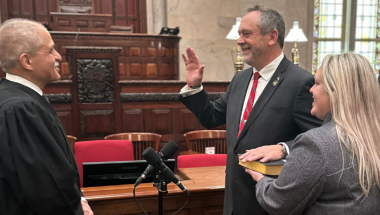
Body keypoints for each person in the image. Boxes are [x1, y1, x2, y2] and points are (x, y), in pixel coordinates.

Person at [179, 4, 322, 215]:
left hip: (271, 199)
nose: (239, 41)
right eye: (239, 34)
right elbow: (211, 117)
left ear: (272, 37)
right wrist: (194, 87)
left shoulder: (300, 81)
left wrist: (284, 147)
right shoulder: (240, 79)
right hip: (234, 199)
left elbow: (318, 138)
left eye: (246, 34)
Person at [244, 52, 380, 214]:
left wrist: (262, 180)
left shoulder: (316, 144)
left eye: (316, 84)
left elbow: (277, 202)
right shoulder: (371, 135)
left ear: (334, 91)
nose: (311, 90)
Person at [0, 19, 93, 215]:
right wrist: (78, 209)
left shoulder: (15, 97)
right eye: (50, 51)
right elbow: (46, 189)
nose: (58, 56)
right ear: (27, 61)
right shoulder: (21, 109)